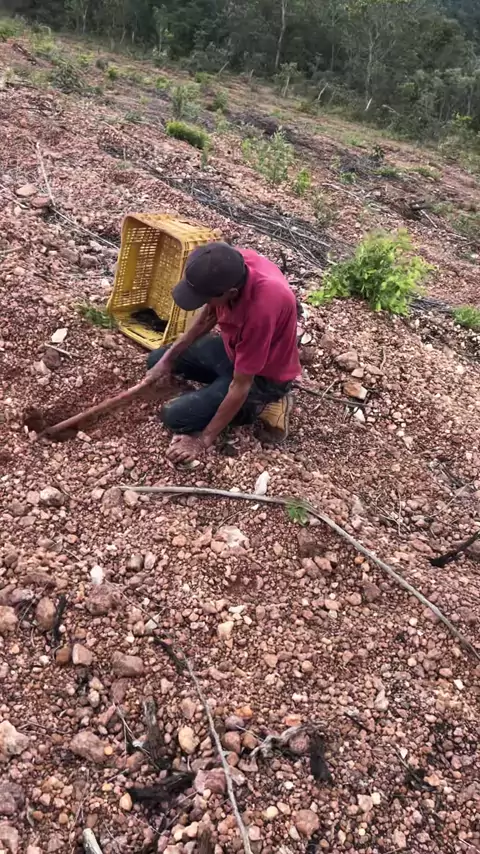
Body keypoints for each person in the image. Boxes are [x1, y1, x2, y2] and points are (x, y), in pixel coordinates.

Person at [144, 242, 301, 464]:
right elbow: (205, 319)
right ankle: (216, 390)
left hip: (263, 375)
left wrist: (202, 440)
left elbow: (241, 385)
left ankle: (267, 402)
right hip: (234, 351)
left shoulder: (261, 311)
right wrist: (166, 361)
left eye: (206, 298)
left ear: (231, 293)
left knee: (175, 417)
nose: (204, 303)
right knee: (156, 359)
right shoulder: (230, 264)